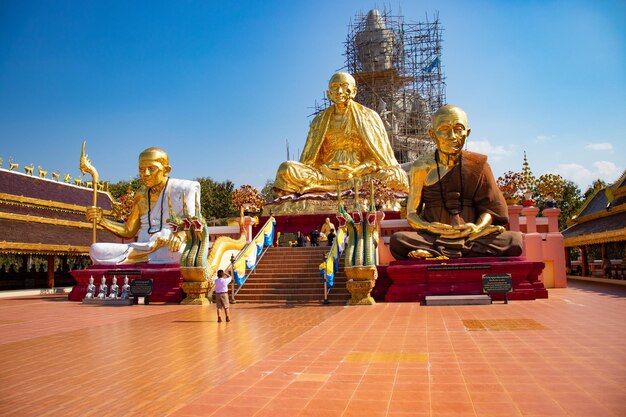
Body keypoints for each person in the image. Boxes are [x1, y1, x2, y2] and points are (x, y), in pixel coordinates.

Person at [390, 105, 523, 259]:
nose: (452, 136)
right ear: (432, 134)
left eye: (458, 129)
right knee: (398, 240)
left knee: (515, 240)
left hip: (471, 234)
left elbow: (491, 208)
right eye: (445, 129)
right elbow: (412, 214)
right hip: (433, 235)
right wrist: (429, 227)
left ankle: (435, 252)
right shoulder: (421, 167)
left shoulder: (478, 164)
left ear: (467, 133)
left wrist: (477, 227)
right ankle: (454, 250)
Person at [273, 72, 408, 196]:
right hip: (325, 175)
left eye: (344, 86)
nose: (339, 91)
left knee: (395, 175)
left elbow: (377, 159)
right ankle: (335, 187)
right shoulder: (319, 120)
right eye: (335, 87)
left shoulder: (369, 116)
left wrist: (355, 171)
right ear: (328, 93)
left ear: (354, 91)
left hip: (358, 173)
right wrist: (326, 170)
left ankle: (327, 188)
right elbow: (312, 159)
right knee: (286, 169)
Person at [86, 147, 200, 265]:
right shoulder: (141, 194)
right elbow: (128, 231)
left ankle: (137, 259)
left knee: (180, 253)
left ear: (166, 170)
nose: (145, 174)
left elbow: (195, 223)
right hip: (141, 247)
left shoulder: (185, 188)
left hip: (168, 246)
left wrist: (181, 235)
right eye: (141, 169)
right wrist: (101, 220)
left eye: (151, 169)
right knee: (95, 249)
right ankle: (146, 256)